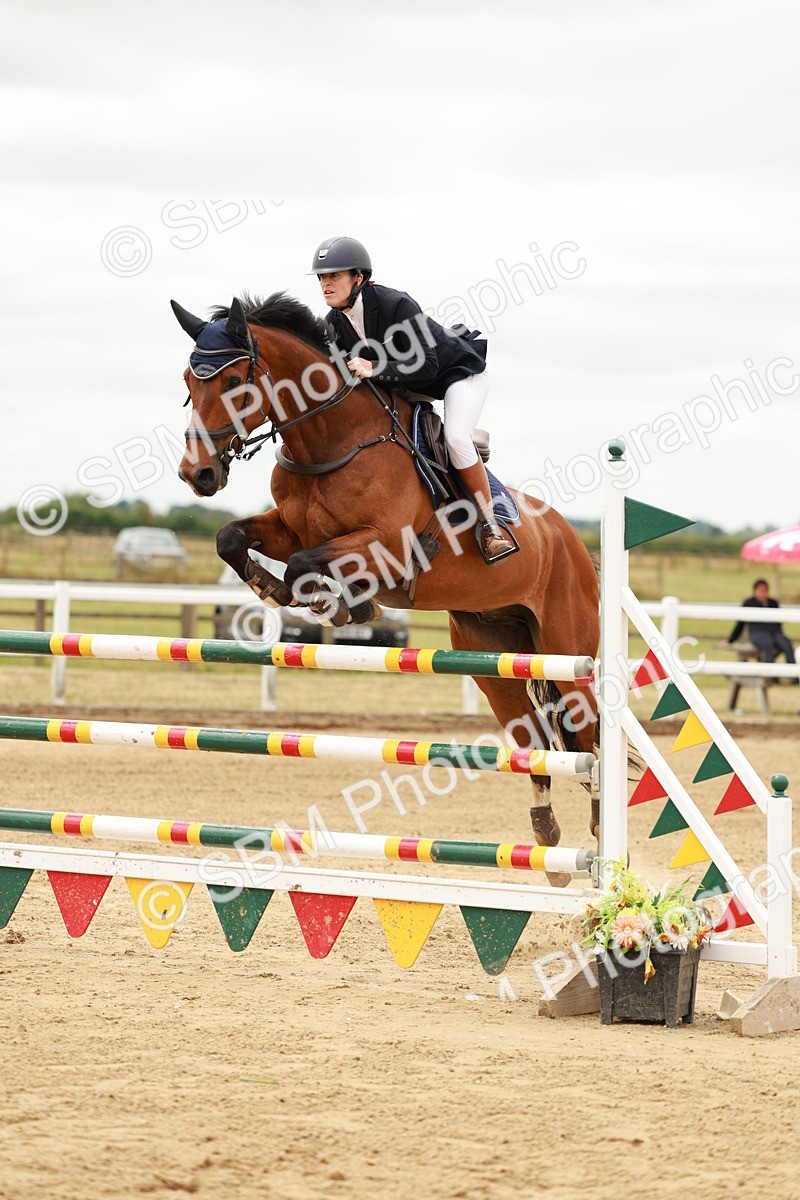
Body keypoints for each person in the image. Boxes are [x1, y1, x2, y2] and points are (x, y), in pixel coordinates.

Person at [310, 235, 516, 564]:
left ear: (358, 278)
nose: (325, 284)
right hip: (410, 385)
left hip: (457, 375)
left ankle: (492, 527)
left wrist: (374, 367)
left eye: (334, 276)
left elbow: (428, 365)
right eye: (322, 277)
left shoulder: (395, 304)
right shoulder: (334, 323)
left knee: (455, 437)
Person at [727, 578, 798, 667]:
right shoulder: (749, 603)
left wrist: (780, 635)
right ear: (754, 591)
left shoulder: (773, 603)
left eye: (765, 591)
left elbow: (778, 622)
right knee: (767, 644)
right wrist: (730, 640)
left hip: (774, 633)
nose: (764, 594)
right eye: (761, 591)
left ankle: (793, 674)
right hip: (758, 633)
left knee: (786, 644)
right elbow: (740, 623)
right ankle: (771, 673)